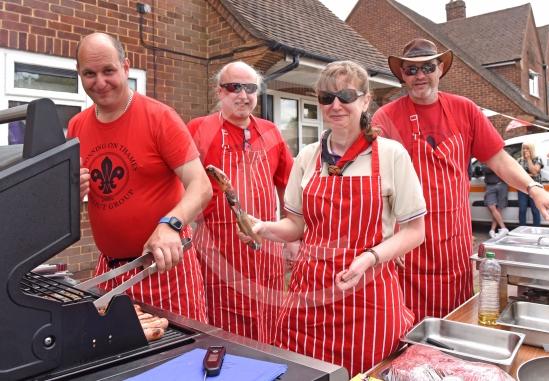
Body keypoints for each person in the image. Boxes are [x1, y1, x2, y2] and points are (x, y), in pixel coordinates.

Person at [239, 61, 426, 375]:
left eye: (346, 95)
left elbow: (414, 231)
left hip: (369, 297)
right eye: (326, 98)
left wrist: (370, 257)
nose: (335, 105)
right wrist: (263, 228)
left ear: (366, 101)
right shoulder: (308, 156)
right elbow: (296, 226)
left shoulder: (391, 154)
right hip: (308, 300)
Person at [372, 38, 549, 322]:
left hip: (453, 241)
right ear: (402, 75)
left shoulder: (465, 109)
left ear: (440, 69)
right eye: (411, 70)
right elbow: (373, 181)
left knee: (456, 322)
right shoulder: (385, 117)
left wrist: (535, 190)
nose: (420, 76)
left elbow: (499, 159)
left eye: (427, 67)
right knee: (405, 326)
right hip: (406, 240)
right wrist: (385, 234)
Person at [68, 33, 212, 320]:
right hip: (109, 272)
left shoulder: (160, 118)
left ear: (126, 67)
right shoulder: (76, 126)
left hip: (165, 269)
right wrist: (71, 191)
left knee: (178, 359)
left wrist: (171, 224)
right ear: (79, 75)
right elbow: (67, 200)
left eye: (108, 70)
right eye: (89, 74)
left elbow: (201, 186)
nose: (100, 82)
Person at [187, 61, 293, 344]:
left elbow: (289, 190)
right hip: (216, 249)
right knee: (222, 330)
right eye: (234, 87)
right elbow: (179, 187)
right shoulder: (199, 129)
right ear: (219, 92)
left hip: (266, 250)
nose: (243, 95)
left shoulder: (271, 132)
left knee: (269, 324)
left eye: (250, 88)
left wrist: (292, 238)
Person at [518, 142, 544, 226]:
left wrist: (529, 159)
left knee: (535, 209)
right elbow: (517, 174)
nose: (525, 150)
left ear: (531, 149)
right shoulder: (519, 160)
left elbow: (535, 172)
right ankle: (521, 229)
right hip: (523, 188)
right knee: (522, 209)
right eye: (524, 148)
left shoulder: (537, 159)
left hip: (535, 188)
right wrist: (530, 175)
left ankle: (536, 229)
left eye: (527, 148)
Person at [482, 165, 509, 237]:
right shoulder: (485, 159)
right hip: (490, 185)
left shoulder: (501, 158)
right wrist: (496, 168)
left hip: (502, 185)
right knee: (491, 206)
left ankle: (492, 230)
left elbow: (505, 169)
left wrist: (496, 168)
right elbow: (485, 169)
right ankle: (503, 227)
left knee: (498, 209)